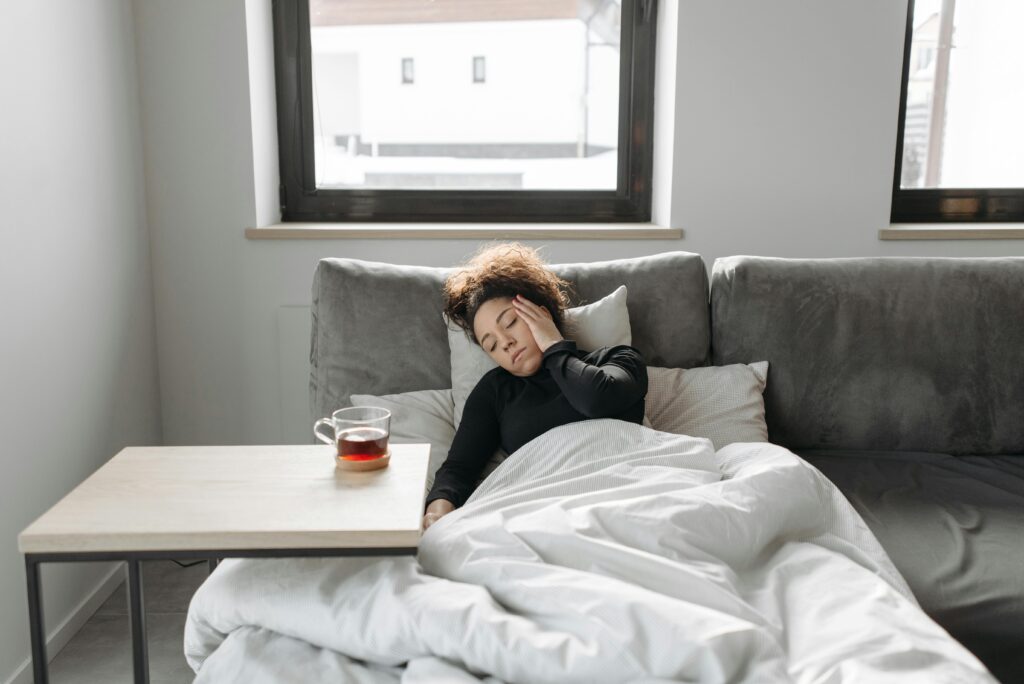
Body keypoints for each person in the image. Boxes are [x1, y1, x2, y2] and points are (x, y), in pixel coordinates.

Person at [423, 244, 648, 530]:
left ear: (541, 313)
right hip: (543, 512)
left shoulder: (617, 359)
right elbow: (459, 468)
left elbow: (597, 400)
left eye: (511, 323)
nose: (504, 342)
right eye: (491, 345)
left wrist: (554, 347)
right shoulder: (495, 391)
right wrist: (437, 512)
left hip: (629, 494)